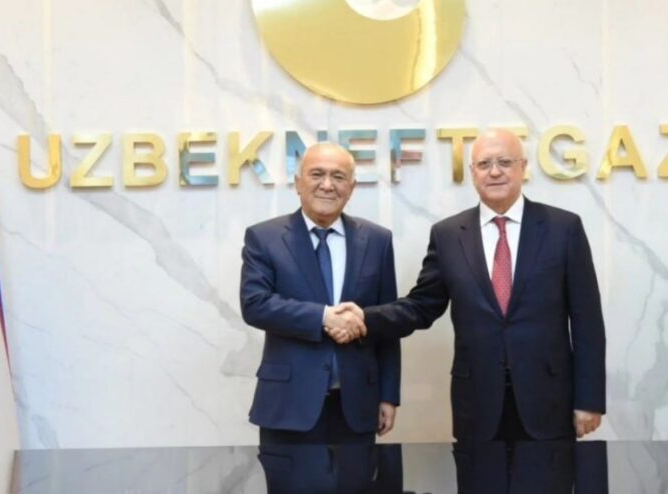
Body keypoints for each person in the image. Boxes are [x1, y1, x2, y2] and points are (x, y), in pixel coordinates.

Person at [332, 129, 605, 441]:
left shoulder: (563, 228)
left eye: (505, 162)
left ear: (523, 167)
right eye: (485, 164)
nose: (495, 171)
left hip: (550, 400)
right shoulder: (449, 234)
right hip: (477, 403)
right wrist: (365, 318)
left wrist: (589, 399)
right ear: (473, 172)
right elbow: (422, 306)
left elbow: (587, 322)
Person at [240, 142, 400, 445]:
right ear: (298, 183)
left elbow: (387, 323)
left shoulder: (377, 240)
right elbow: (255, 304)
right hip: (288, 405)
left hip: (358, 406)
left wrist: (389, 395)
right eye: (317, 174)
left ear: (351, 188)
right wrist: (324, 317)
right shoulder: (264, 238)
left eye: (338, 177)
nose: (327, 185)